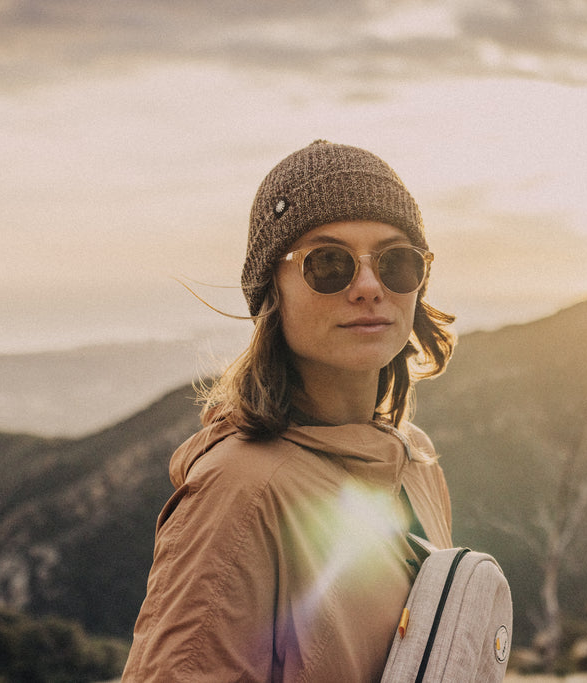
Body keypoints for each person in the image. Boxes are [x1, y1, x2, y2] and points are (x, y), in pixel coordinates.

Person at [122, 140, 457, 681]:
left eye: (396, 261)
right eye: (329, 264)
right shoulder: (240, 490)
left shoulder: (415, 462)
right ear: (271, 290)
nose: (369, 287)